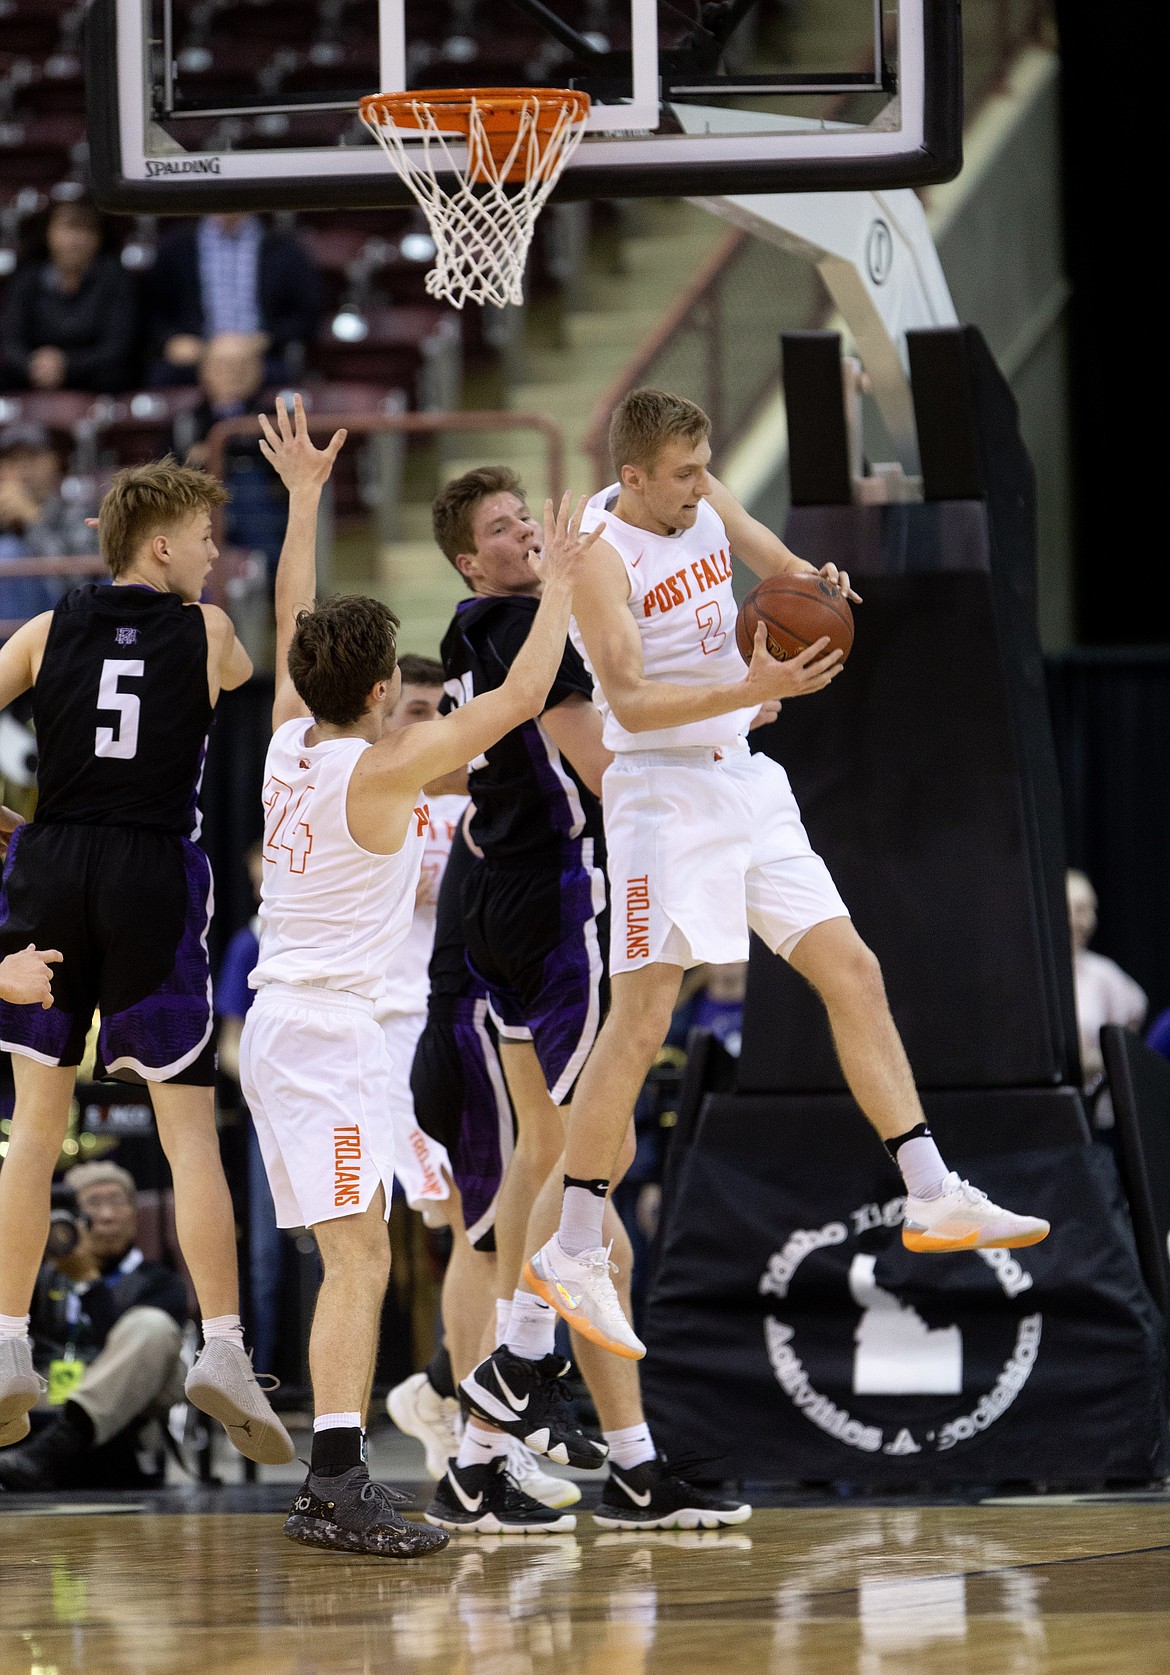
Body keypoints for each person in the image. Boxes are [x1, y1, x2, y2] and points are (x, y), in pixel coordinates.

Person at [507, 387, 1050, 1367]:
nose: (701, 485)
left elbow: (776, 559)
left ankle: (932, 1191)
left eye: (705, 466)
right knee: (638, 1025)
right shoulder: (599, 558)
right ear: (632, 477)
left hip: (746, 784)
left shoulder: (699, 498)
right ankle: (573, 1247)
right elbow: (626, 694)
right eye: (683, 474)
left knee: (855, 970)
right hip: (659, 798)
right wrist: (755, 687)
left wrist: (818, 582)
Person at [239, 395, 605, 1557]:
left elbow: (293, 611)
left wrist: (304, 503)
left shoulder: (291, 735)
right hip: (339, 1037)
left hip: (279, 1026)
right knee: (359, 1256)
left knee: (358, 1251)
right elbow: (509, 702)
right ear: (375, 690)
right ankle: (335, 1481)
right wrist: (557, 594)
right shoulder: (386, 770)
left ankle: (341, 1464)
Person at [432, 465, 750, 1533]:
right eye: (502, 530)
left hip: (503, 904)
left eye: (528, 519)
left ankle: (552, 1455)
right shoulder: (520, 628)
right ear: (469, 561)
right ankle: (550, 1435)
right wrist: (721, 744)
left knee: (545, 1165)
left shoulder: (477, 631)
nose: (527, 534)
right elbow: (605, 768)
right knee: (586, 1186)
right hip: (559, 901)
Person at [0, 457, 294, 1467]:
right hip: (152, 872)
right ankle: (222, 1347)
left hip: (53, 859)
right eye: (206, 537)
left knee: (36, 1128)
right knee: (189, 1132)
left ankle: (5, 1348)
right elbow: (266, 669)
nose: (217, 554)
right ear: (160, 543)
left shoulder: (44, 630)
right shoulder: (208, 634)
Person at [0, 1161, 188, 1492]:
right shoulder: (37, 1275)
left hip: (121, 1410)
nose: (107, 1217)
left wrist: (87, 1282)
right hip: (42, 1397)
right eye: (94, 1203)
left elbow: (135, 1356)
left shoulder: (161, 1282)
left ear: (134, 1214)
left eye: (117, 1202)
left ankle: (57, 1447)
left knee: (154, 1328)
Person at [214, 839, 284, 1377]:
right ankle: (264, 1382)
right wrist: (270, 1083)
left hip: (339, 1104)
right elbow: (229, 1042)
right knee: (267, 1260)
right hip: (272, 1114)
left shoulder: (336, 927)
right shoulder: (250, 942)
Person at [146, 215, 322, 388]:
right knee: (161, 378)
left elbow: (307, 314)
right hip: (197, 354)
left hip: (261, 355)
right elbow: (154, 311)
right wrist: (171, 340)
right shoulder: (175, 246)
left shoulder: (284, 247)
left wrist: (265, 339)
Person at [0, 197, 139, 394]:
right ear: (48, 232)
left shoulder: (115, 278)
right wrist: (33, 364)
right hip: (35, 371)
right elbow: (11, 342)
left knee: (115, 375)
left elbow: (117, 346)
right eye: (67, 227)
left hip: (93, 375)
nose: (74, 240)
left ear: (99, 236)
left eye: (84, 229)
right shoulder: (27, 277)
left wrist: (67, 364)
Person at [1066, 867, 1147, 1119]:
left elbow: (1132, 1033)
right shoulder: (1030, 974)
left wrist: (1099, 1060)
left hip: (1098, 1114)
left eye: (1091, 910)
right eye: (1079, 910)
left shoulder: (1102, 973)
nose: (1088, 921)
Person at [0, 421, 100, 623]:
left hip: (60, 618)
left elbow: (77, 583)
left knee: (8, 551)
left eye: (32, 457)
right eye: (13, 460)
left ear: (53, 461)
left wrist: (33, 520)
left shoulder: (76, 511)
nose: (23, 468)